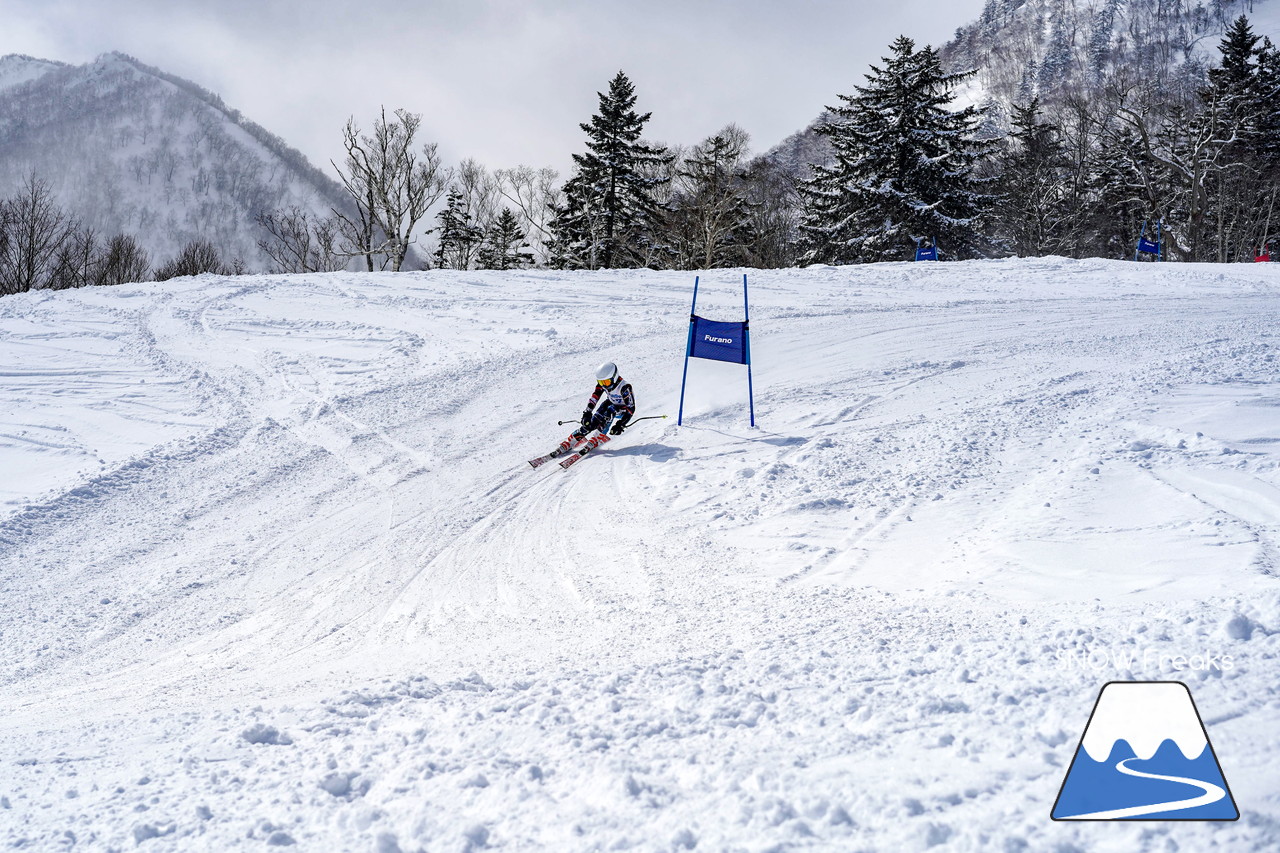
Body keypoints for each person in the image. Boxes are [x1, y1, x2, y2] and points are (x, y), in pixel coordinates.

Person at [578, 361, 635, 438]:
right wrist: (587, 412)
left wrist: (620, 424)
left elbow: (631, 408)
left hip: (624, 411)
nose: (604, 385)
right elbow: (595, 397)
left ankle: (600, 435)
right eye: (601, 382)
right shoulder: (604, 384)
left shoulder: (624, 387)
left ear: (614, 377)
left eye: (606, 382)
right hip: (611, 403)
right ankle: (580, 433)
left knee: (611, 410)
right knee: (602, 409)